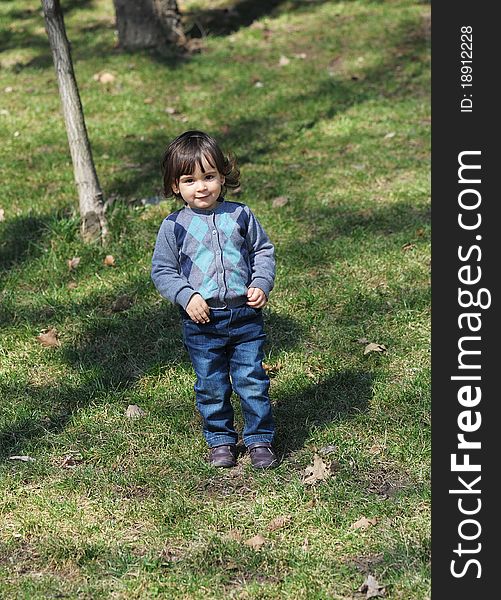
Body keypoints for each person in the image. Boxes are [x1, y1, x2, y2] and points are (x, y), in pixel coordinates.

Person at [151, 130, 278, 469]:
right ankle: (221, 440)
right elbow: (163, 270)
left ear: (223, 176)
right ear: (176, 186)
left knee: (251, 379)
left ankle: (259, 438)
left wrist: (261, 283)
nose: (201, 187)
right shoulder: (173, 226)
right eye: (190, 180)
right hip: (202, 320)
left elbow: (263, 251)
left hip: (244, 315)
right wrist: (186, 295)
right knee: (211, 383)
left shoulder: (240, 215)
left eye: (208, 176)